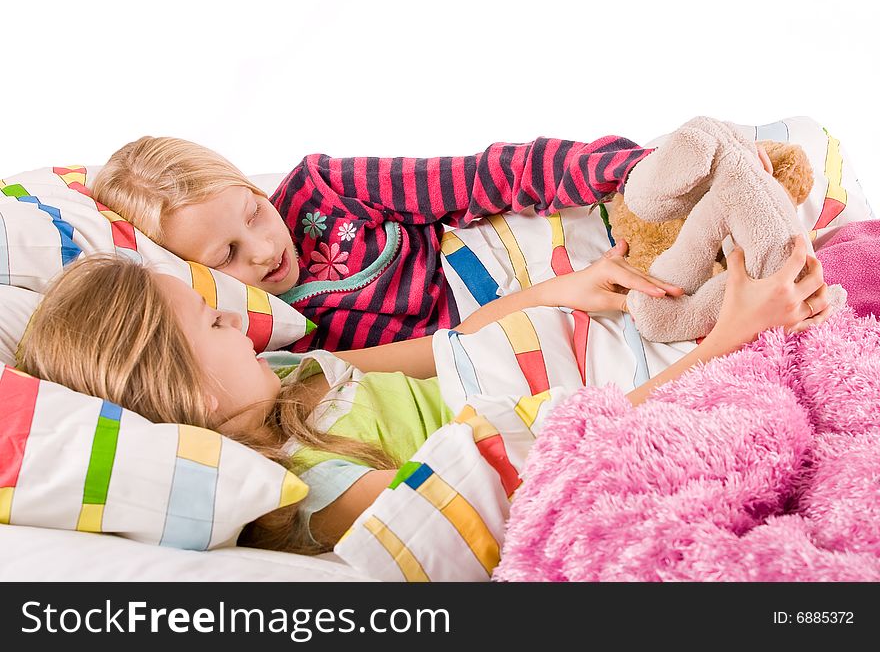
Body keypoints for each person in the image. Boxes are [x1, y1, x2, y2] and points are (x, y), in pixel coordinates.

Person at [16, 236, 831, 554]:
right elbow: (544, 478)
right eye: (208, 316)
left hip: (595, 358)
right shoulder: (311, 487)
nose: (236, 310)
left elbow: (448, 347)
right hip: (623, 411)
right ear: (171, 379)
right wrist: (725, 343)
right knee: (827, 300)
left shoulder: (301, 381)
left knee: (824, 252)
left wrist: (561, 289)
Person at [91, 134, 657, 352]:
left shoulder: (322, 189)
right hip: (507, 331)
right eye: (226, 257)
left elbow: (481, 177)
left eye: (254, 214)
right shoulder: (257, 334)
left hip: (504, 248)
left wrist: (631, 170)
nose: (262, 250)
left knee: (644, 193)